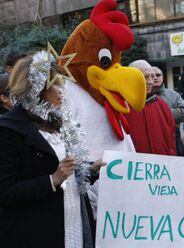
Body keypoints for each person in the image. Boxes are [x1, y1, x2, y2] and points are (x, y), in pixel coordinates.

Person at [0, 52, 105, 248]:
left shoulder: (57, 122)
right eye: (55, 85)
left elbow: (67, 174)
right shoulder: (8, 129)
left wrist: (90, 171)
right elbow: (5, 192)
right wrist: (52, 180)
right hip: (38, 232)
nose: (61, 92)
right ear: (36, 89)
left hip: (74, 222)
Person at [127, 60, 176, 155]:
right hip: (133, 167)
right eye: (145, 77)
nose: (150, 82)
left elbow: (172, 135)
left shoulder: (161, 104)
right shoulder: (122, 106)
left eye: (152, 76)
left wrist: (171, 155)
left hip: (161, 166)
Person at [152, 66, 184, 156]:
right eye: (152, 76)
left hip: (173, 140)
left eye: (158, 75)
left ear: (163, 77)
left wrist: (163, 113)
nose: (155, 78)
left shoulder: (173, 95)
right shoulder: (142, 96)